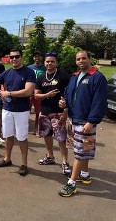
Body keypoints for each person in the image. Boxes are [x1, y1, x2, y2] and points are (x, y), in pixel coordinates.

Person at [58, 50, 107, 197]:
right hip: (74, 119)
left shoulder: (97, 77)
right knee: (82, 150)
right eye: (78, 59)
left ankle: (71, 184)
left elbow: (99, 102)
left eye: (83, 58)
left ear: (90, 59)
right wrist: (63, 101)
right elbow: (67, 93)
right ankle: (84, 175)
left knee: (79, 153)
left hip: (86, 122)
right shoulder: (74, 76)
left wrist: (92, 122)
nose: (80, 61)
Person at [34, 52, 71, 175]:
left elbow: (70, 94)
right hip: (44, 112)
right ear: (44, 62)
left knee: (61, 138)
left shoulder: (64, 76)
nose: (49, 63)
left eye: (52, 61)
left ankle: (65, 162)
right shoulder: (40, 76)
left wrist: (65, 110)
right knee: (47, 135)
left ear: (57, 63)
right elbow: (36, 95)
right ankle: (50, 157)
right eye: (47, 61)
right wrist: (47, 95)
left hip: (58, 113)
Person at [28, 51, 46, 136]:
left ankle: (37, 129)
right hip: (29, 93)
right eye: (35, 56)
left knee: (38, 112)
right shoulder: (29, 68)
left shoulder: (45, 68)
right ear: (33, 58)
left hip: (39, 93)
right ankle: (25, 128)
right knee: (26, 111)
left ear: (42, 58)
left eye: (39, 56)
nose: (37, 58)